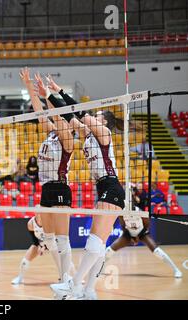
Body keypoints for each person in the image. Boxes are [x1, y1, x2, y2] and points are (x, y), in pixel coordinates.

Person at [47, 75, 126, 300]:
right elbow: (69, 115)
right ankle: (89, 291)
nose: (93, 117)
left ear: (104, 122)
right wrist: (50, 95)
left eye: (97, 116)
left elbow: (80, 112)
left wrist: (61, 91)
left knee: (94, 242)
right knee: (98, 245)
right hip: (104, 187)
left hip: (111, 186)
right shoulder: (88, 136)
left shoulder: (104, 133)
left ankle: (74, 285)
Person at [20, 68, 74, 286]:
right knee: (49, 239)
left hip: (61, 189)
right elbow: (40, 113)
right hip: (46, 189)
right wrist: (30, 88)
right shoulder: (50, 134)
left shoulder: (68, 139)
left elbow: (56, 115)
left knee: (62, 239)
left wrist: (48, 95)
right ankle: (63, 276)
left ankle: (67, 279)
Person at [105, 214, 182, 279]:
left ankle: (176, 270)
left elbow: (147, 226)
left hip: (142, 233)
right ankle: (99, 269)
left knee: (157, 251)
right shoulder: (122, 214)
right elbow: (123, 226)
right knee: (109, 250)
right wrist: (131, 237)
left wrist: (137, 237)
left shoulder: (141, 212)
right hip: (128, 234)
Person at [11, 215, 46, 285]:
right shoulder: (31, 223)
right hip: (41, 243)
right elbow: (35, 240)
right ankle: (20, 278)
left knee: (62, 259)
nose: (39, 214)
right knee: (25, 261)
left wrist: (44, 247)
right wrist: (39, 245)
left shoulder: (48, 221)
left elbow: (53, 236)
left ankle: (65, 279)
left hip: (53, 243)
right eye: (37, 213)